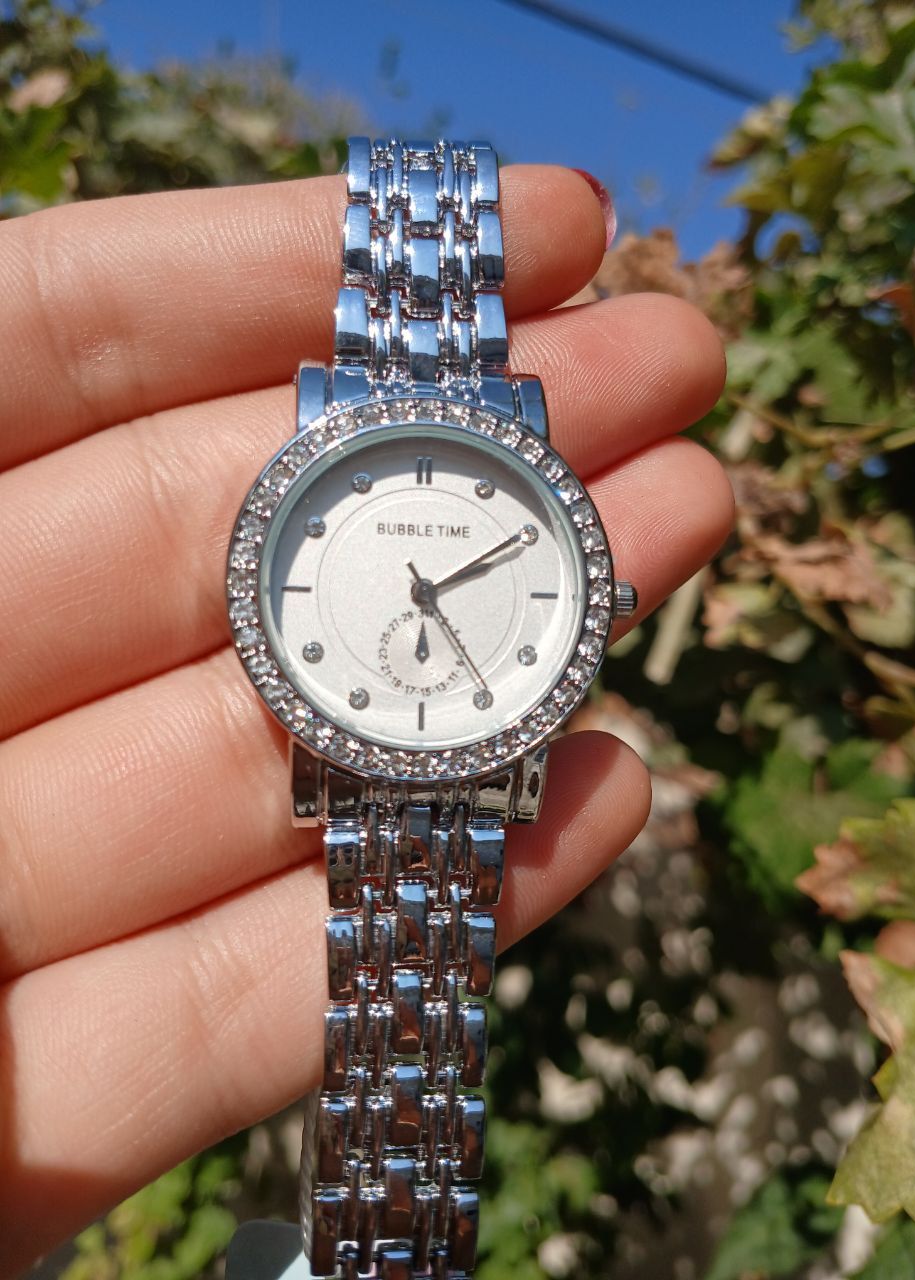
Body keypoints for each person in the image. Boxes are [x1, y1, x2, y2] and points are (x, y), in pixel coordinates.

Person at [0, 165, 731, 1273]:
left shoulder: (479, 452)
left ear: (598, 598)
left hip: (456, 746)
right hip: (371, 742)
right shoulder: (361, 455)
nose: (425, 592)